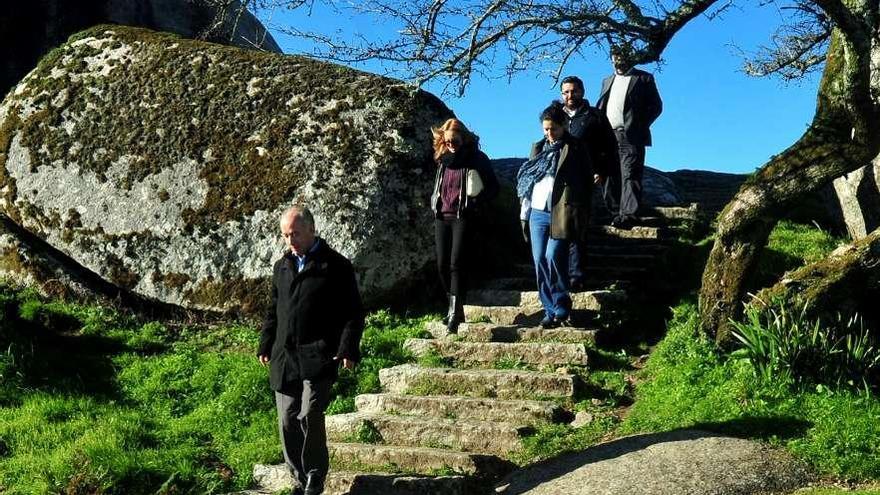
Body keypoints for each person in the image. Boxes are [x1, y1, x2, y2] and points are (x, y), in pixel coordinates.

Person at [257, 206, 364, 495]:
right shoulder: (282, 266)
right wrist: (266, 343)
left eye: (295, 234)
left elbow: (353, 313)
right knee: (287, 420)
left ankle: (315, 475)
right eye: (285, 235)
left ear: (312, 230)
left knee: (310, 413)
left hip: (319, 355)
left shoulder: (335, 266)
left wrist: (347, 348)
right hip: (284, 356)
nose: (290, 241)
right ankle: (299, 478)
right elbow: (273, 311)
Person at [517, 102, 593, 329]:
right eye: (546, 129)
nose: (550, 134)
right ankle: (550, 311)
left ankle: (561, 305)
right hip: (537, 212)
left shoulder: (576, 148)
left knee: (553, 257)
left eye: (554, 129)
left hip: (562, 211)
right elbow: (529, 180)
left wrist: (581, 211)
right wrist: (525, 210)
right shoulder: (538, 148)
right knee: (539, 259)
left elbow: (586, 181)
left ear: (564, 126)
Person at [430, 118, 499, 333]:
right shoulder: (442, 158)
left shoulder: (477, 159)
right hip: (442, 215)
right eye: (448, 141)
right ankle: (454, 306)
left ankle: (454, 313)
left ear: (464, 138)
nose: (451, 145)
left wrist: (476, 202)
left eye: (455, 142)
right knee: (442, 264)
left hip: (464, 216)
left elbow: (493, 188)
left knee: (456, 263)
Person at [559, 75, 618, 289]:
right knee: (558, 227)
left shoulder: (595, 117)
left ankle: (576, 276)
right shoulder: (556, 116)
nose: (570, 96)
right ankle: (559, 273)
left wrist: (601, 171)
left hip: (584, 179)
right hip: (557, 180)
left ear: (582, 91)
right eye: (565, 92)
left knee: (577, 227)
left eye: (573, 91)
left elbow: (609, 147)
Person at [596, 44, 663, 229]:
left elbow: (656, 106)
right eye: (615, 57)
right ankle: (615, 212)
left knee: (630, 174)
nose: (619, 61)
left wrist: (640, 125)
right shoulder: (607, 80)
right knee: (609, 175)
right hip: (608, 136)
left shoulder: (643, 78)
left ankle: (629, 215)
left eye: (623, 57)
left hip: (630, 136)